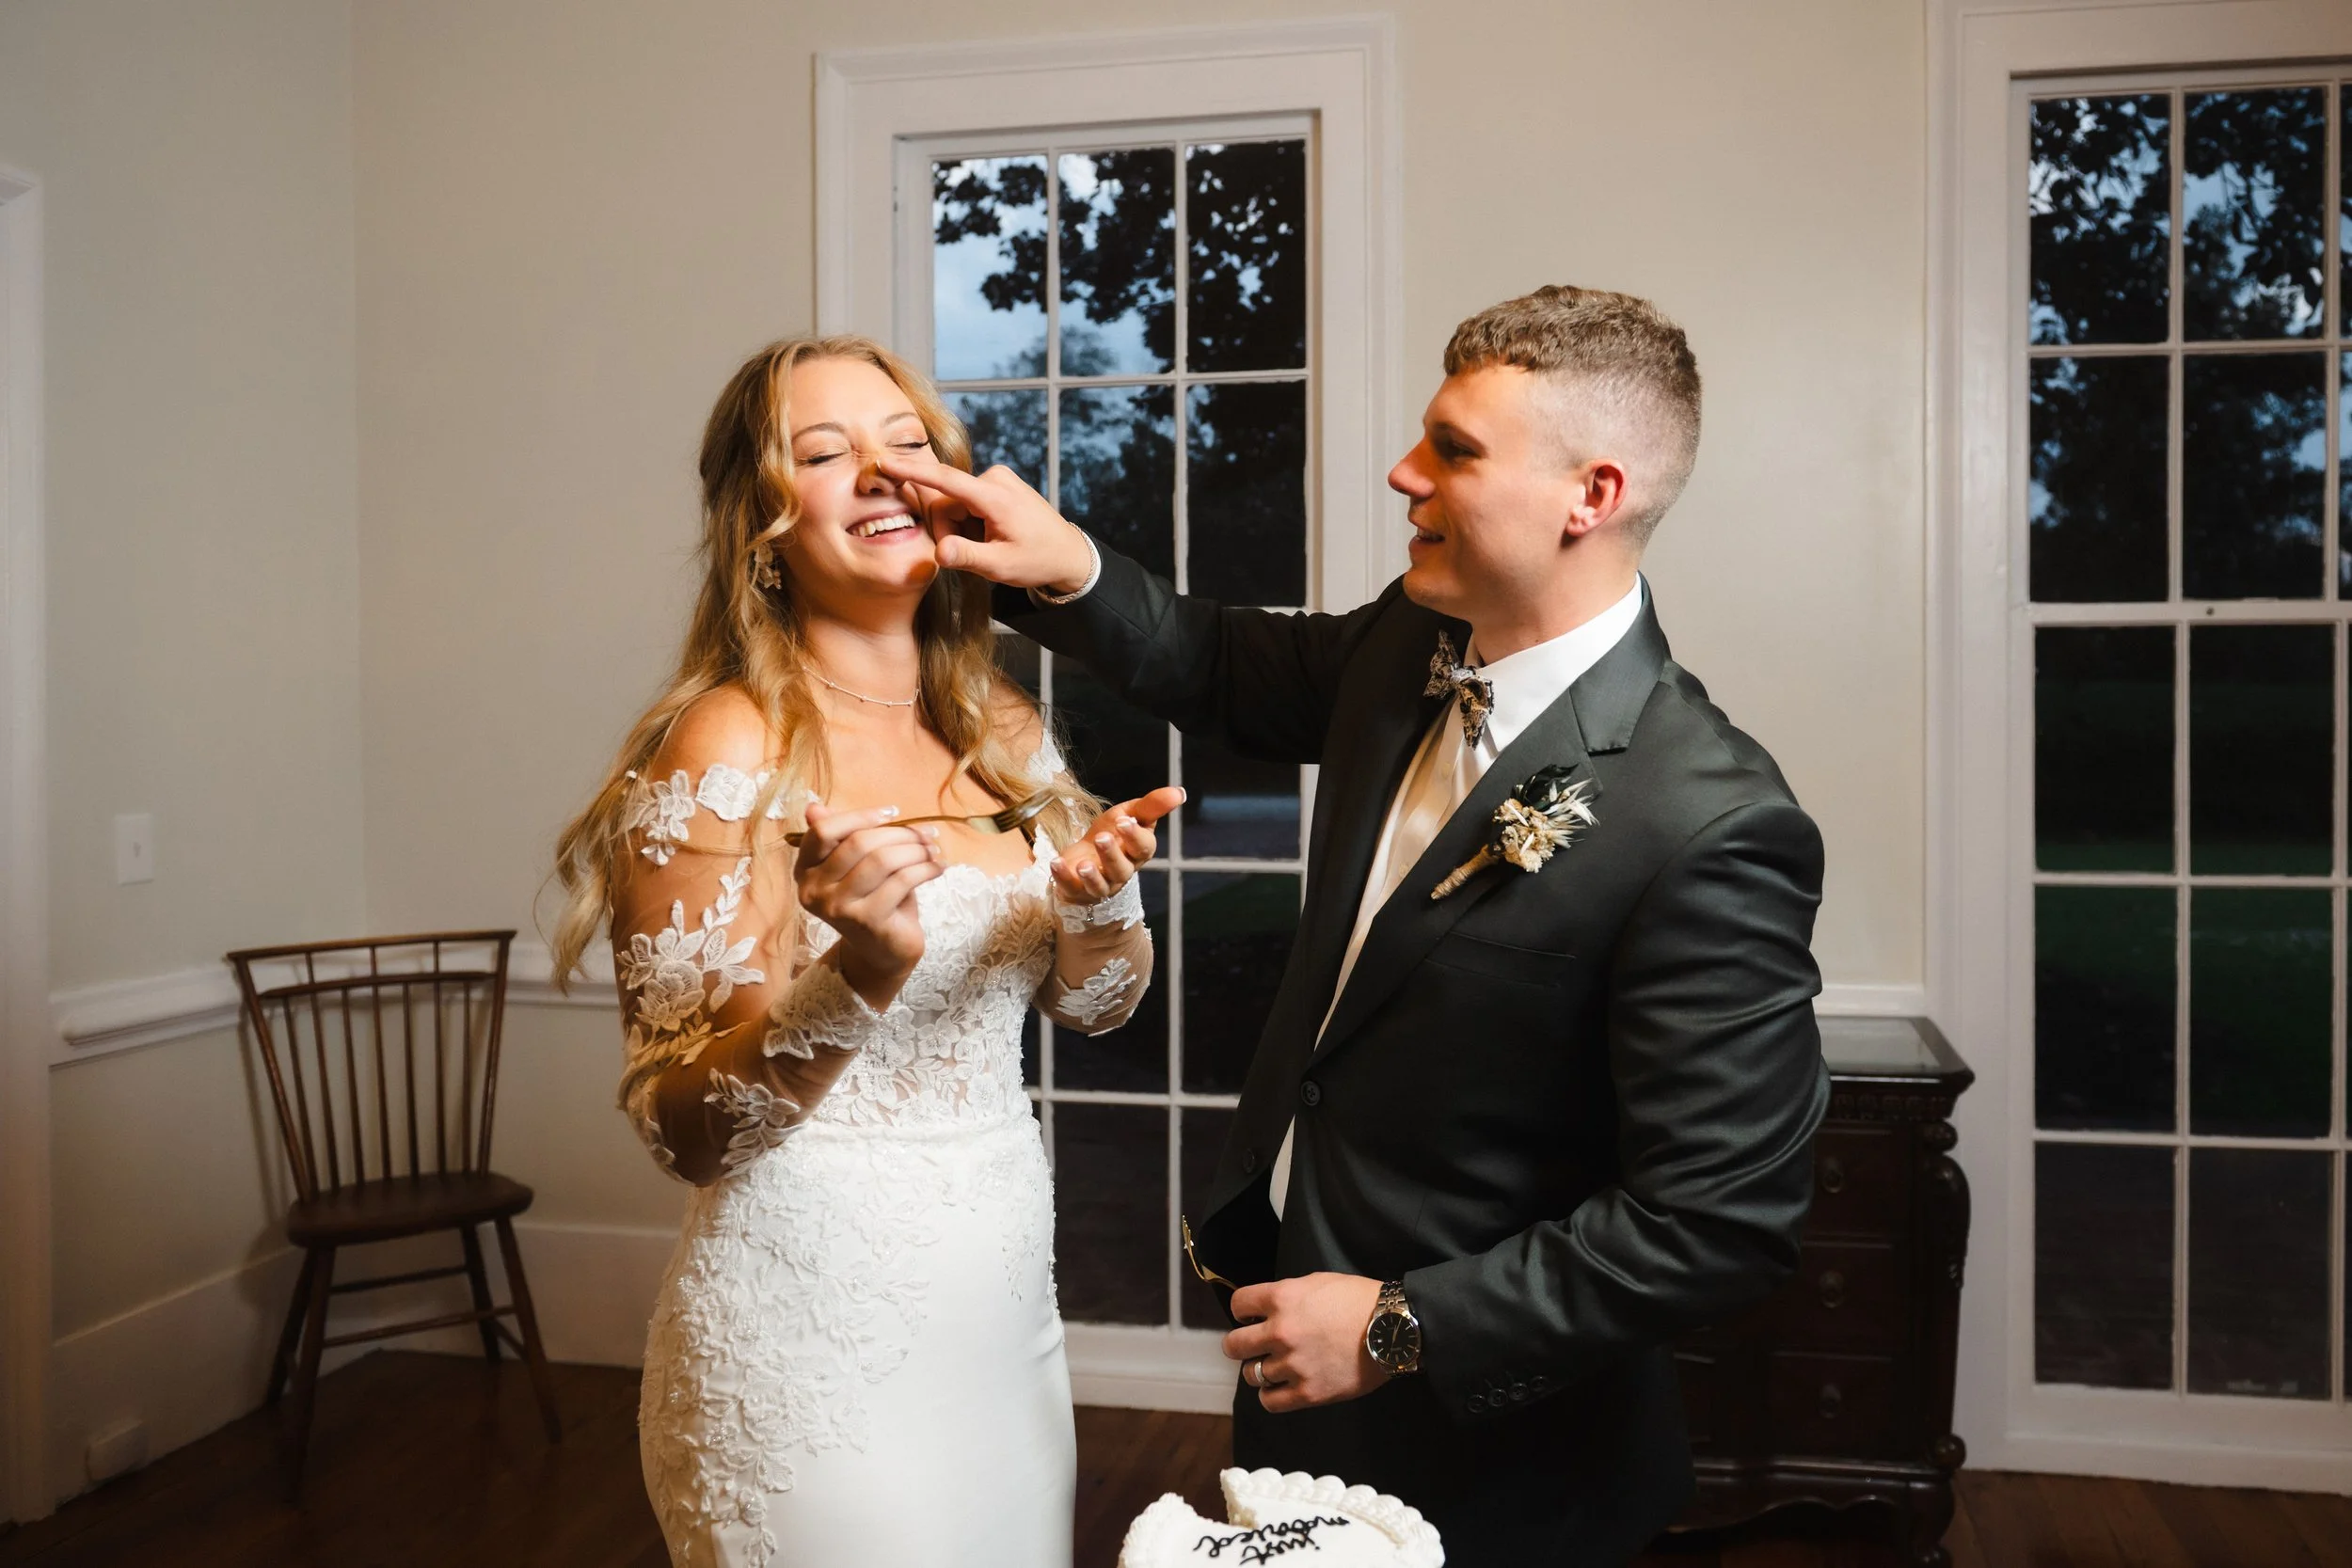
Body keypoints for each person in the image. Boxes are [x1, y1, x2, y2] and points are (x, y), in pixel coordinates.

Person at [882, 286, 1831, 1566]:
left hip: (1509, 1458)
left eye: (1455, 449)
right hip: (1296, 1377)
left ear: (1589, 495)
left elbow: (1718, 1221)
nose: (1405, 472)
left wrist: (1397, 1324)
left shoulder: (1711, 820)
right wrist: (1066, 561)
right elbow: (1219, 666)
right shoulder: (1412, 644)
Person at [548, 335, 1179, 1568]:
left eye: (906, 444)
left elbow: (1096, 1010)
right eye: (826, 453)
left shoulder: (998, 724)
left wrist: (1102, 905)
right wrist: (862, 970)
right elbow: (688, 1131)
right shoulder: (723, 745)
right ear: (761, 527)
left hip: (1001, 1322)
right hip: (810, 1337)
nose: (883, 475)